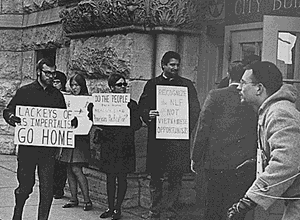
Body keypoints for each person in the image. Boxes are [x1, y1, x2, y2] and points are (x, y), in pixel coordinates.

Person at [227, 61, 300, 220]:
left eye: (244, 83)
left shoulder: (280, 113)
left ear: (259, 88)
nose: (239, 87)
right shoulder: (273, 111)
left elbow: (287, 163)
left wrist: (249, 200)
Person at [191, 61, 257, 220]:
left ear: (228, 75)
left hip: (217, 163)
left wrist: (195, 157)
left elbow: (203, 128)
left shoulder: (215, 95)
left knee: (213, 207)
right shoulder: (253, 98)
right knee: (237, 209)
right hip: (244, 163)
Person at [138, 51, 201, 219]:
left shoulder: (187, 85)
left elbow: (195, 110)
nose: (175, 68)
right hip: (158, 140)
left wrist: (184, 127)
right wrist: (147, 114)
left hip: (177, 140)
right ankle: (155, 209)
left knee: (175, 176)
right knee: (156, 176)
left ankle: (171, 209)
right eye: (172, 65)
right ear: (163, 65)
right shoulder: (152, 84)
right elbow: (142, 106)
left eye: (177, 65)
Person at [2, 58, 66, 220]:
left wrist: (71, 123)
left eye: (53, 73)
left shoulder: (57, 96)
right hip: (28, 150)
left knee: (47, 189)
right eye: (47, 73)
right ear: (38, 72)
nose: (51, 76)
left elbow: (63, 120)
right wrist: (11, 117)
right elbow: (8, 110)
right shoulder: (25, 91)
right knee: (25, 187)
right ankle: (17, 215)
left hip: (48, 151)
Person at [96, 73, 142, 220]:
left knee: (122, 178)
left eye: (124, 84)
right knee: (110, 178)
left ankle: (118, 208)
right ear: (111, 87)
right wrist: (93, 110)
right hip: (109, 145)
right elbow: (99, 121)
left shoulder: (132, 104)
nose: (123, 87)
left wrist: (130, 111)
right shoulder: (104, 103)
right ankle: (110, 207)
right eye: (119, 85)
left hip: (125, 146)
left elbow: (137, 125)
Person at [60, 74, 93, 211]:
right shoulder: (67, 99)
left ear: (82, 85)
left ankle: (87, 199)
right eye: (72, 85)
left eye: (77, 85)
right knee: (69, 168)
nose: (74, 88)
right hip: (69, 136)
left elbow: (90, 118)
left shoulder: (88, 100)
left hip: (80, 138)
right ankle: (73, 198)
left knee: (76, 168)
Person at [52, 70, 68, 199]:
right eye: (53, 82)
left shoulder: (67, 97)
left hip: (63, 134)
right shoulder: (47, 95)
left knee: (61, 163)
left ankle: (59, 188)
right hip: (51, 133)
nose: (55, 84)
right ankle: (52, 187)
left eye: (57, 82)